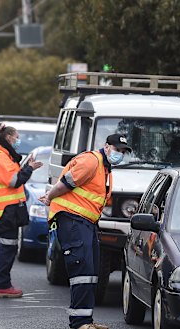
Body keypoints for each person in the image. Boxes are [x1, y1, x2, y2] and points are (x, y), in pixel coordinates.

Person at [39, 134, 132, 329]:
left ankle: (85, 321)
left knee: (90, 272)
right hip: (73, 220)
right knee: (81, 270)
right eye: (117, 150)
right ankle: (79, 323)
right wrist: (49, 197)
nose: (120, 154)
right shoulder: (91, 161)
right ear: (106, 147)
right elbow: (65, 182)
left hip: (86, 223)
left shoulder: (106, 168)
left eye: (123, 152)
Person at [0, 122, 42, 298]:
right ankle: (3, 286)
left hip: (9, 210)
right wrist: (29, 169)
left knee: (9, 248)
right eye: (17, 137)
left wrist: (27, 167)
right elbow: (14, 181)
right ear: (9, 138)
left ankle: (4, 284)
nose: (18, 140)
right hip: (5, 211)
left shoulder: (6, 156)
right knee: (7, 248)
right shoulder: (1, 157)